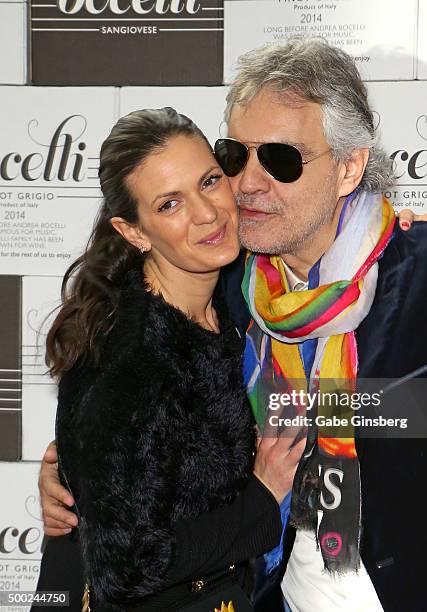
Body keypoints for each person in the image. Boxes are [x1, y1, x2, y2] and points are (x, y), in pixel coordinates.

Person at [38, 38, 427, 612]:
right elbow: (145, 434)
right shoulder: (228, 292)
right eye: (235, 156)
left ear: (349, 167)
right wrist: (75, 478)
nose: (248, 184)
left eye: (281, 159)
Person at [36, 107, 308, 612]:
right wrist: (262, 499)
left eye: (209, 181)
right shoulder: (131, 358)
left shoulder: (234, 288)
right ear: (134, 232)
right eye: (169, 204)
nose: (206, 214)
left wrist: (403, 235)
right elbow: (126, 566)